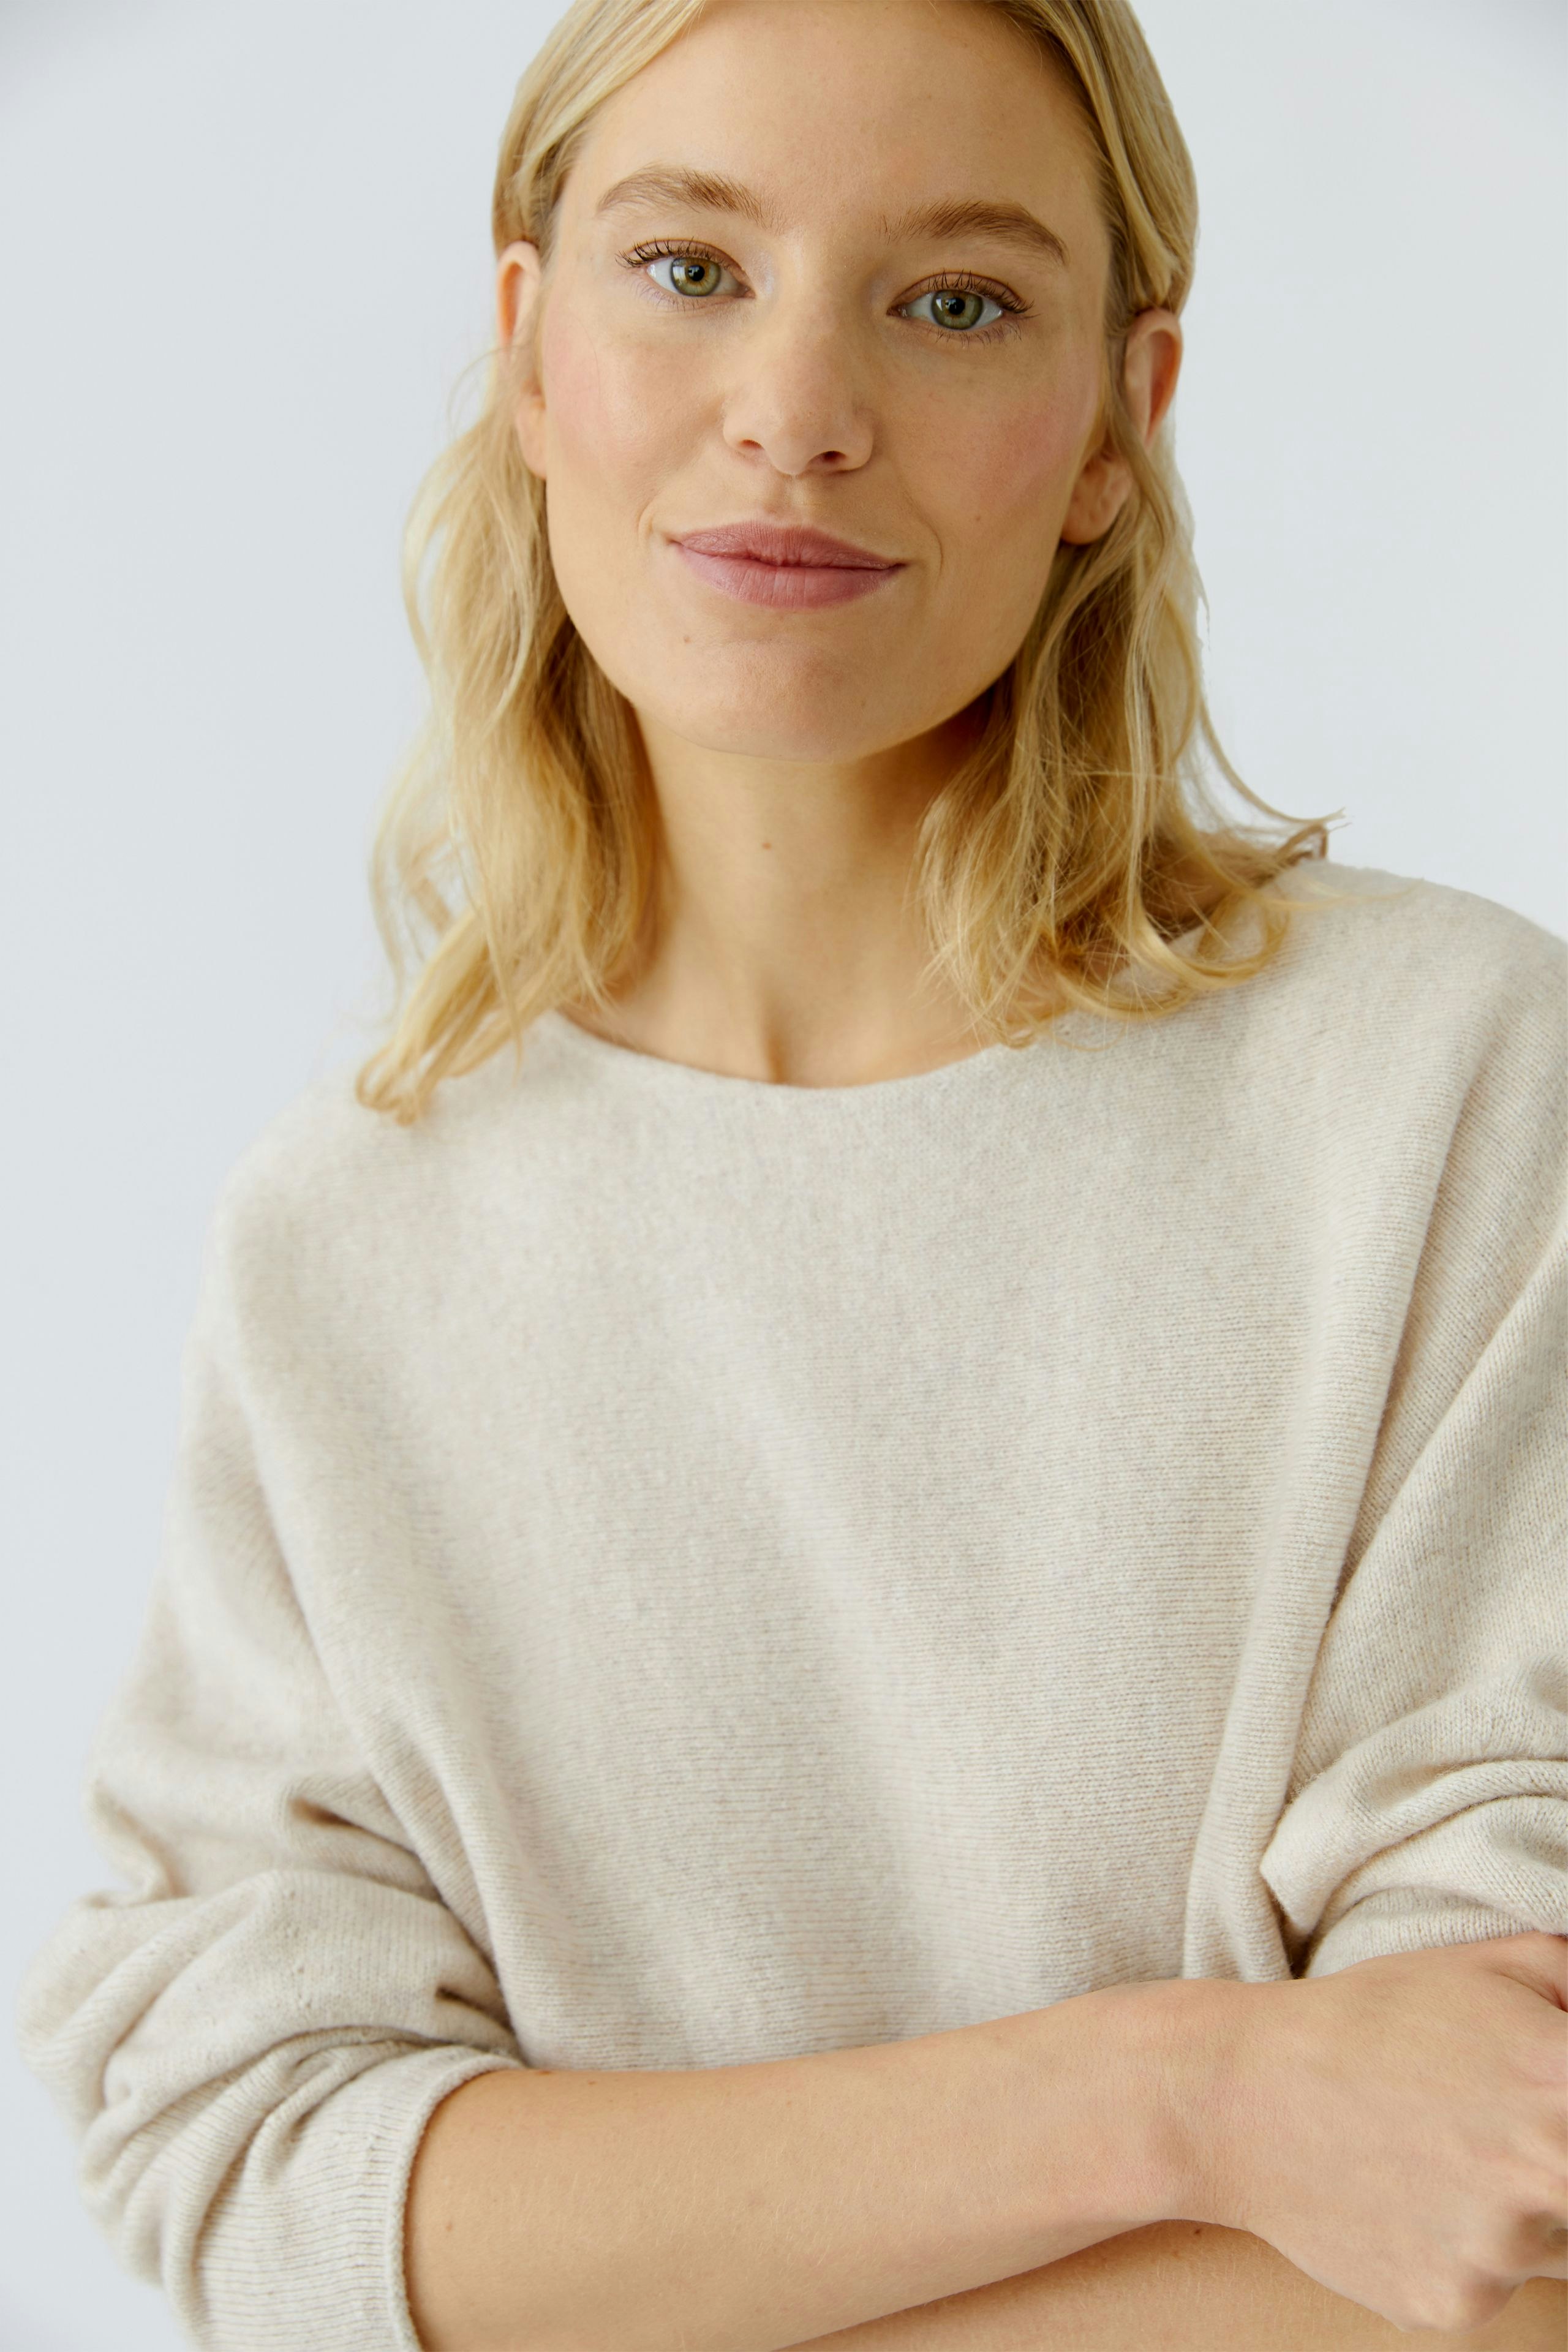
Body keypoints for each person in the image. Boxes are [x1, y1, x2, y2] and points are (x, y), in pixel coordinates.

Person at [15, 0, 1566, 2346]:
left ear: (1116, 432)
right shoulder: (348, 1248)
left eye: (955, 303)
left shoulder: (1438, 1090)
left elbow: (1500, 2200)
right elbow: (254, 2162)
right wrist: (1196, 2100)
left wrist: (626, 2256)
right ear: (531, 350)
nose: (798, 413)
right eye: (689, 267)